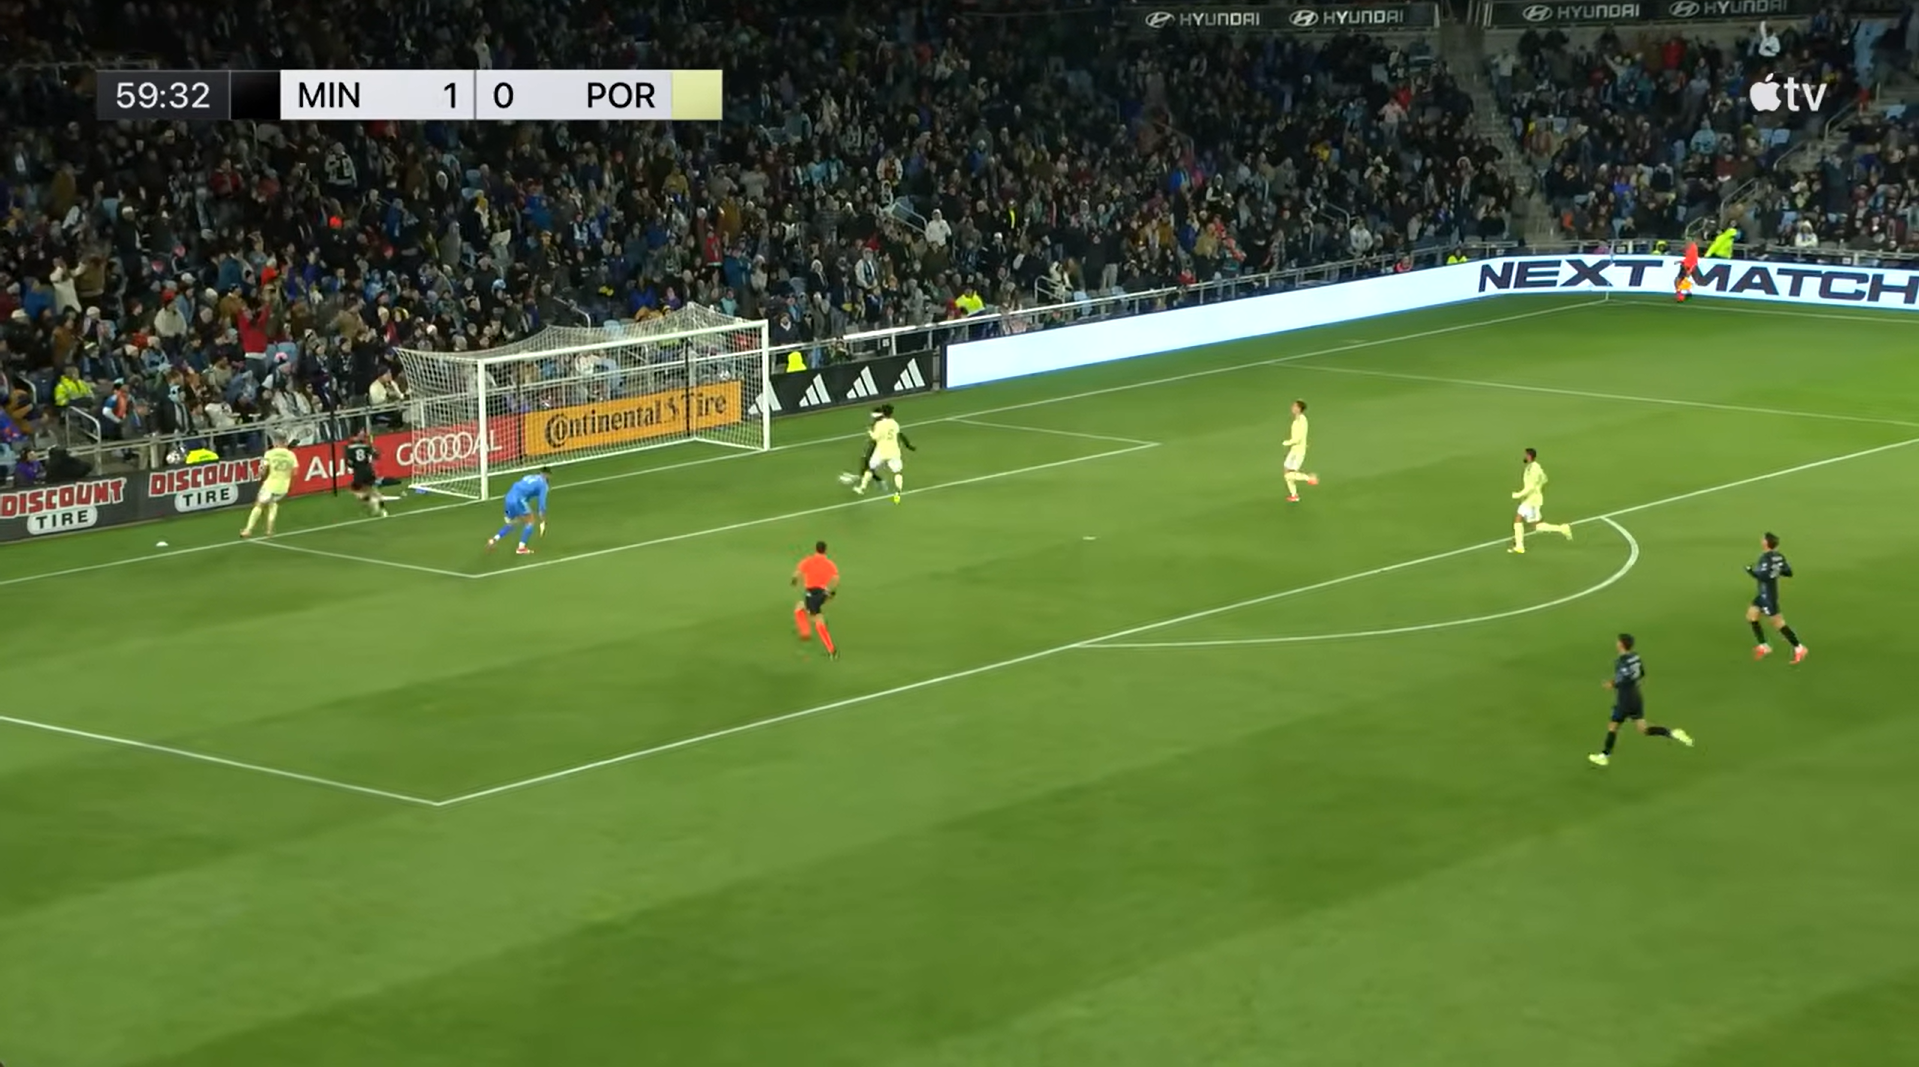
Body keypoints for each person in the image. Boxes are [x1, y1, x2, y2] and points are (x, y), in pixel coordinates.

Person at [1588, 633, 1693, 767]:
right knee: (1643, 729)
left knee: (1613, 727)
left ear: (1621, 644)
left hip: (1625, 700)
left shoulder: (1621, 661)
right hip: (1636, 697)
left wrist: (1611, 684)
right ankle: (1672, 733)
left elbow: (1623, 679)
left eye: (1618, 642)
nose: (1616, 644)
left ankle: (1604, 756)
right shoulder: (1635, 657)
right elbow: (1641, 673)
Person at [1747, 532, 1808, 663]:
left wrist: (1750, 571)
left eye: (1763, 539)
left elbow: (1762, 576)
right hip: (1764, 594)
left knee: (1778, 623)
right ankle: (1763, 646)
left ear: (1766, 543)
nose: (1761, 540)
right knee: (1752, 615)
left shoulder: (1765, 558)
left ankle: (1799, 647)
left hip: (1767, 596)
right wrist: (1776, 570)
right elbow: (1788, 572)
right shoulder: (1778, 557)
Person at [1509, 447, 1572, 554]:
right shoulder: (1531, 467)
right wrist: (1539, 486)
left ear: (1529, 456)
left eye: (1525, 455)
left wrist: (1518, 495)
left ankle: (1562, 528)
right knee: (1520, 520)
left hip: (1532, 502)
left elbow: (1531, 487)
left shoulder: (1535, 469)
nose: (1524, 456)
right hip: (1529, 499)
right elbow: (1544, 478)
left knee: (1534, 525)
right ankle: (1519, 546)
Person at [853, 403, 915, 503]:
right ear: (891, 413)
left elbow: (875, 437)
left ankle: (862, 488)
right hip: (894, 451)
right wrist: (908, 445)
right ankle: (898, 492)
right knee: (897, 472)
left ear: (883, 413)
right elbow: (899, 435)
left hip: (881, 451)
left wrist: (869, 431)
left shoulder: (879, 424)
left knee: (870, 469)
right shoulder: (894, 423)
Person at [241, 434, 299, 538]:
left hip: (270, 484)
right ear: (285, 443)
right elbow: (295, 472)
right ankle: (269, 529)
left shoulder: (270, 453)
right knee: (273, 503)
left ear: (275, 443)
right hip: (283, 486)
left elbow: (264, 469)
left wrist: (260, 476)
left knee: (259, 504)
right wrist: (289, 481)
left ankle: (248, 530)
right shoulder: (291, 455)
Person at [791, 540, 841, 658]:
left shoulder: (808, 561)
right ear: (825, 550)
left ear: (815, 549)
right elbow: (836, 578)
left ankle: (831, 650)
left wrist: (794, 580)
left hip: (811, 595)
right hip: (822, 593)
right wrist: (828, 590)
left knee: (817, 619)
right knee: (800, 607)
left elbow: (797, 573)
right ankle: (805, 632)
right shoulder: (829, 564)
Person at [488, 468, 550, 555]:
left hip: (509, 497)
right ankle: (521, 548)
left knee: (515, 522)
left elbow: (524, 490)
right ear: (547, 476)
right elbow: (542, 504)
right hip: (518, 500)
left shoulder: (528, 477)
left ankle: (494, 539)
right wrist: (543, 520)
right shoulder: (543, 485)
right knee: (530, 521)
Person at [1282, 399, 1319, 503]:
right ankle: (1294, 495)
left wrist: (1287, 442)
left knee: (1290, 475)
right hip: (1294, 449)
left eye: (1294, 406)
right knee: (1286, 472)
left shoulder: (1302, 421)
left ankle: (1309, 478)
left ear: (1299, 409)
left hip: (1298, 451)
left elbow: (1298, 438)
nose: (1292, 407)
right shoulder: (1296, 420)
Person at [345, 430, 386, 517]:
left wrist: (351, 467)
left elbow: (349, 462)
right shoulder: (366, 446)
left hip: (359, 472)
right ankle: (382, 509)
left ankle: (373, 503)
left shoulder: (349, 448)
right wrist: (373, 449)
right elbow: (377, 456)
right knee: (372, 489)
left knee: (356, 490)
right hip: (368, 470)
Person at [840, 407, 884, 485]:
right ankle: (872, 479)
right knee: (865, 462)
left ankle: (878, 481)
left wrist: (870, 433)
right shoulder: (878, 423)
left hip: (876, 446)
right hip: (873, 445)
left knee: (867, 463)